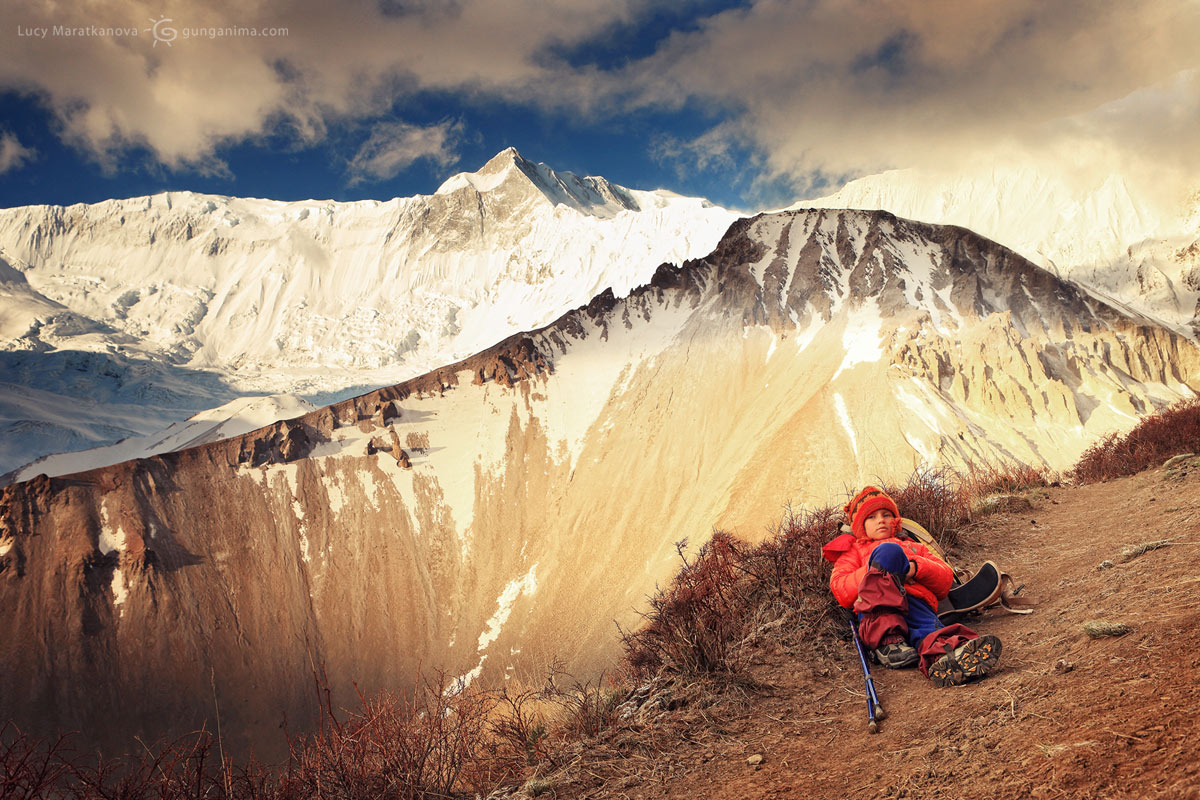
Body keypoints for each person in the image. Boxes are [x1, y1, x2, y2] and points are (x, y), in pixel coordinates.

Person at [828, 486, 1002, 687]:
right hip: (877, 612)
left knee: (930, 631)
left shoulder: (914, 546)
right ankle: (887, 643)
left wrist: (914, 567)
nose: (881, 520)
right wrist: (877, 567)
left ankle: (949, 658)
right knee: (888, 552)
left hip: (915, 604)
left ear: (896, 521)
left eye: (886, 514)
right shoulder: (854, 551)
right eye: (872, 517)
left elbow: (944, 578)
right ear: (860, 526)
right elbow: (841, 588)